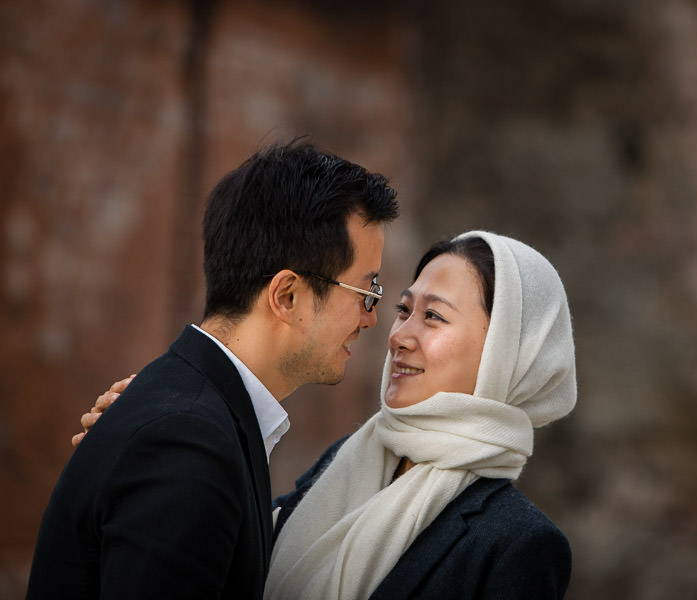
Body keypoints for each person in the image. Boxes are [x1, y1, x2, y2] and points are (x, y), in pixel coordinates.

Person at [73, 230, 577, 599]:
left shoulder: (519, 545)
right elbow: (235, 556)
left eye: (434, 317)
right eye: (404, 309)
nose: (399, 335)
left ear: (509, 353)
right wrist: (152, 436)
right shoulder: (349, 461)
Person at [26, 140, 399, 599]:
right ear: (287, 296)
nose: (371, 317)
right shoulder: (186, 440)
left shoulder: (198, 416)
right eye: (367, 290)